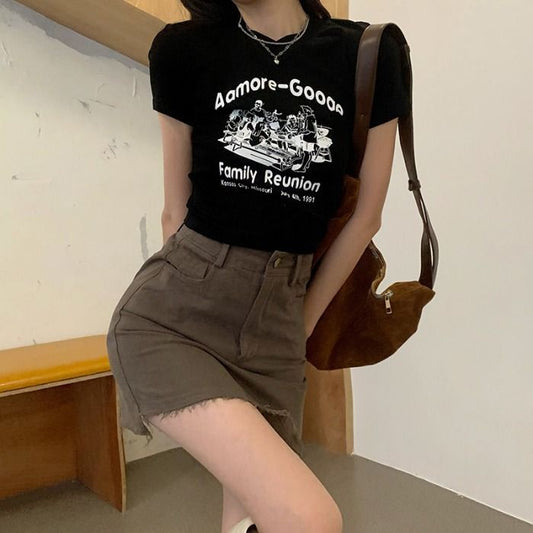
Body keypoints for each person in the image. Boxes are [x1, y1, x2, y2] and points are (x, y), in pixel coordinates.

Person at [105, 1, 411, 532]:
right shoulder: (183, 50)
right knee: (310, 519)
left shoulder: (368, 53)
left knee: (250, 517)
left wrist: (299, 324)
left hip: (280, 325)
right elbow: (174, 212)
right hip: (174, 317)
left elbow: (367, 218)